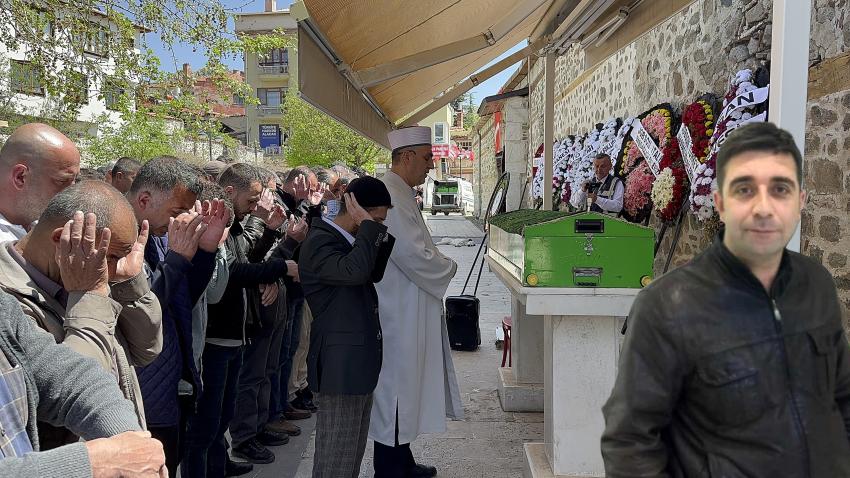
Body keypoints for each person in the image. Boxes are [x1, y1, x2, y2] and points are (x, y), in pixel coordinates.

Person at [601, 122, 850, 477]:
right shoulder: (667, 305)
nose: (764, 209)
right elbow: (629, 444)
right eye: (745, 190)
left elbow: (842, 399)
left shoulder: (816, 285)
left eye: (780, 189)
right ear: (719, 202)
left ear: (800, 202)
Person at [0, 181, 162, 445]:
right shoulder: (10, 304)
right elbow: (76, 394)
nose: (111, 271)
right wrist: (87, 297)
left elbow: (147, 350)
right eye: (110, 257)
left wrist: (130, 285)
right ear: (62, 239)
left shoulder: (87, 276)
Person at [183, 163, 290, 475]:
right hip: (215, 339)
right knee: (205, 425)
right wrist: (280, 268)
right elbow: (229, 277)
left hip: (235, 334)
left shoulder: (235, 224)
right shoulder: (216, 226)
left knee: (221, 417)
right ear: (229, 193)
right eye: (251, 201)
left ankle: (220, 463)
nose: (256, 208)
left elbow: (247, 261)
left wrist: (269, 245)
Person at [370, 126, 463, 478]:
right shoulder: (389, 195)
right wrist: (448, 266)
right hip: (398, 311)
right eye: (426, 158)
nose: (430, 166)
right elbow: (412, 255)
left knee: (404, 391)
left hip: (408, 305)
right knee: (395, 392)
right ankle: (390, 469)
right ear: (406, 157)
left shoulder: (400, 191)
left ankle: (402, 461)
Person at [128, 156, 229, 475]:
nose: (181, 221)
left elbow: (183, 300)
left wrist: (206, 251)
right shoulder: (119, 237)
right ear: (144, 200)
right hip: (142, 395)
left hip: (169, 386)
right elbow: (141, 317)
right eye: (176, 212)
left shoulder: (158, 233)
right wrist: (175, 261)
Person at [0, 289, 167, 478]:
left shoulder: (4, 307)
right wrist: (96, 465)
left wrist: (131, 442)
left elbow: (72, 377)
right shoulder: (18, 292)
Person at [299, 179, 395, 478]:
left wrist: (369, 229)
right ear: (355, 211)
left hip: (356, 367)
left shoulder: (346, 240)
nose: (377, 226)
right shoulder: (320, 242)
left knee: (350, 458)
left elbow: (373, 272)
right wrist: (367, 228)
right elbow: (354, 273)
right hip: (340, 369)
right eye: (375, 219)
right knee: (335, 461)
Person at [0, 123, 80, 242]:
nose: (73, 193)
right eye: (62, 181)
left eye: (76, 180)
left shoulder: (43, 223)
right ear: (20, 177)